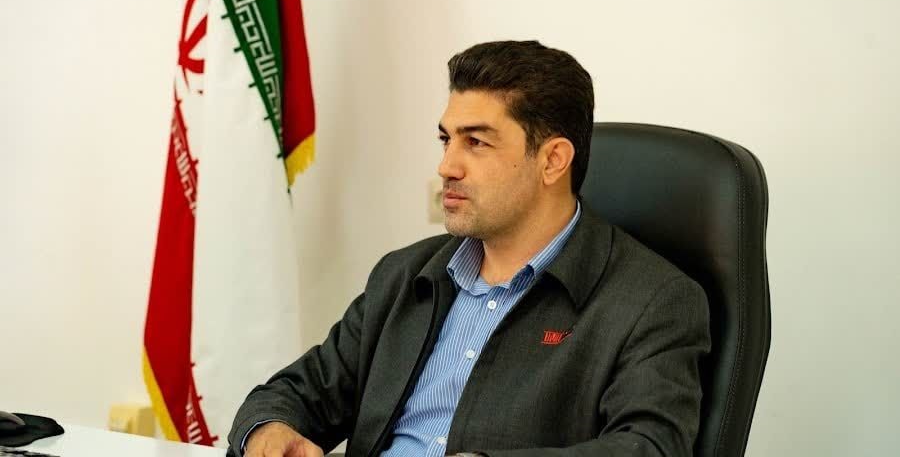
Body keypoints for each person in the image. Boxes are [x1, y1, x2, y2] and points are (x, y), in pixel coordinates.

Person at [227, 41, 711, 457]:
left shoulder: (653, 301)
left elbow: (651, 447)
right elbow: (295, 393)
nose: (447, 166)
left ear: (553, 161)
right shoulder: (406, 274)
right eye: (446, 139)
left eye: (476, 142)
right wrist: (269, 430)